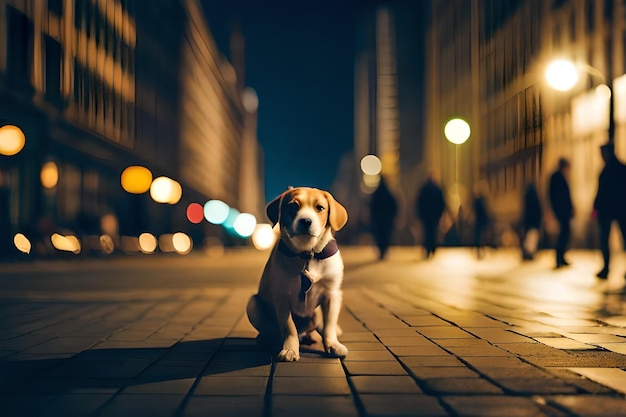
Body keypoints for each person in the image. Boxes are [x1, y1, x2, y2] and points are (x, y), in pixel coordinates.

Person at [593, 142, 626, 279]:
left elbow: (601, 192)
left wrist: (596, 207)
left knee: (606, 239)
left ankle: (606, 268)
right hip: (619, 210)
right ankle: (606, 268)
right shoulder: (620, 168)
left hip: (611, 210)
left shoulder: (608, 170)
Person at [548, 157, 574, 269]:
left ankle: (561, 257)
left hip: (564, 211)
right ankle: (559, 258)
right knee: (563, 234)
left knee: (565, 234)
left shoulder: (560, 177)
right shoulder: (557, 178)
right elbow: (556, 196)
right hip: (562, 211)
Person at [416, 173, 445, 259]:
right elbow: (441, 203)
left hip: (426, 216)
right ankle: (432, 247)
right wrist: (440, 214)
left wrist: (420, 214)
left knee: (426, 232)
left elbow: (419, 203)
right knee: (433, 232)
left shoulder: (424, 189)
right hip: (434, 215)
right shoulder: (437, 189)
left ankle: (427, 249)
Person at [369, 177, 398, 260]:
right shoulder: (389, 193)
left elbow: (372, 207)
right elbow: (394, 206)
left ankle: (381, 251)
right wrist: (393, 217)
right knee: (386, 236)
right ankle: (384, 250)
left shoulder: (376, 193)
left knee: (379, 236)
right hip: (387, 220)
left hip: (378, 220)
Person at [521, 183, 542, 260]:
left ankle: (528, 253)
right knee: (531, 239)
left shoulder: (527, 198)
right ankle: (529, 253)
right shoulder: (534, 199)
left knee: (529, 239)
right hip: (534, 223)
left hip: (529, 223)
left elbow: (525, 212)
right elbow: (538, 211)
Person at [472, 192, 489, 259]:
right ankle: (479, 251)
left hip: (479, 222)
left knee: (478, 238)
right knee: (479, 237)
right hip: (480, 222)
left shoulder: (478, 201)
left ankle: (479, 251)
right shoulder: (481, 201)